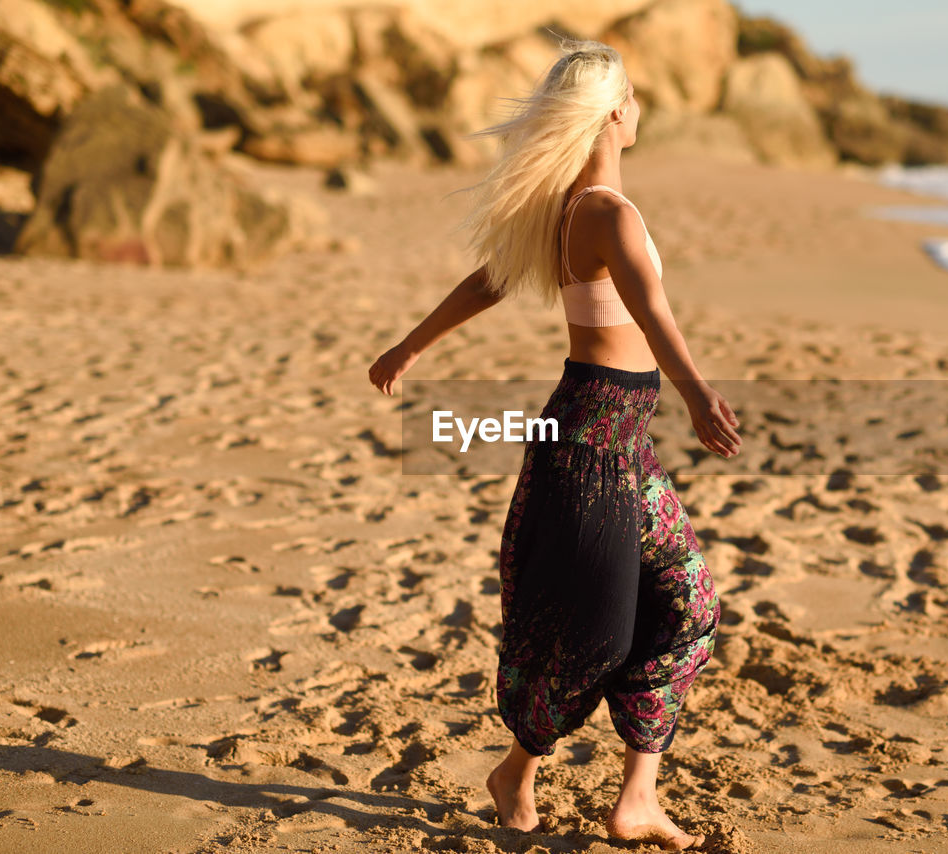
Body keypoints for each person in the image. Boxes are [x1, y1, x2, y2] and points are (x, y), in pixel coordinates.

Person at [368, 39, 741, 850]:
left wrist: (410, 346)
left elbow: (488, 280)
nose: (639, 109)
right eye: (633, 97)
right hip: (589, 440)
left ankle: (636, 799)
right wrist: (694, 388)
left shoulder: (574, 205)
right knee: (596, 635)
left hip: (619, 442)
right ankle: (516, 770)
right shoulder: (603, 210)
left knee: (689, 607)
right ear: (614, 111)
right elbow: (649, 308)